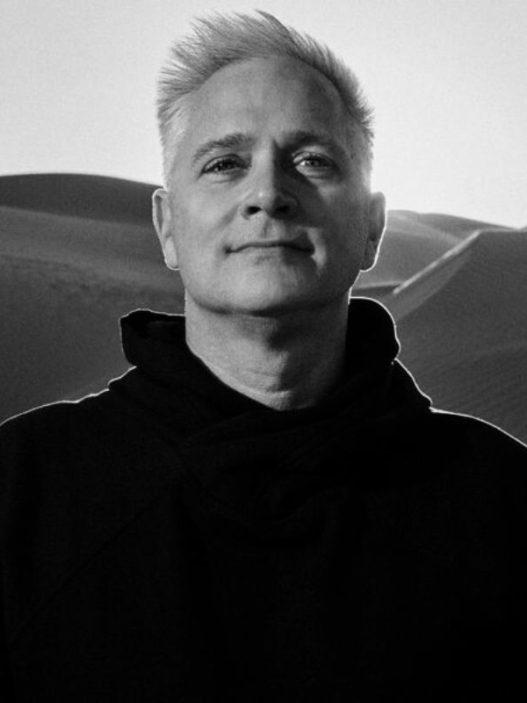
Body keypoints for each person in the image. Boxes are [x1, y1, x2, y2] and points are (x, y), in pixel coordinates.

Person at [1, 11, 526, 702]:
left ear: (371, 227)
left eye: (312, 161)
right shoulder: (23, 491)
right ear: (167, 226)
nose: (269, 195)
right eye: (224, 164)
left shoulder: (501, 501)